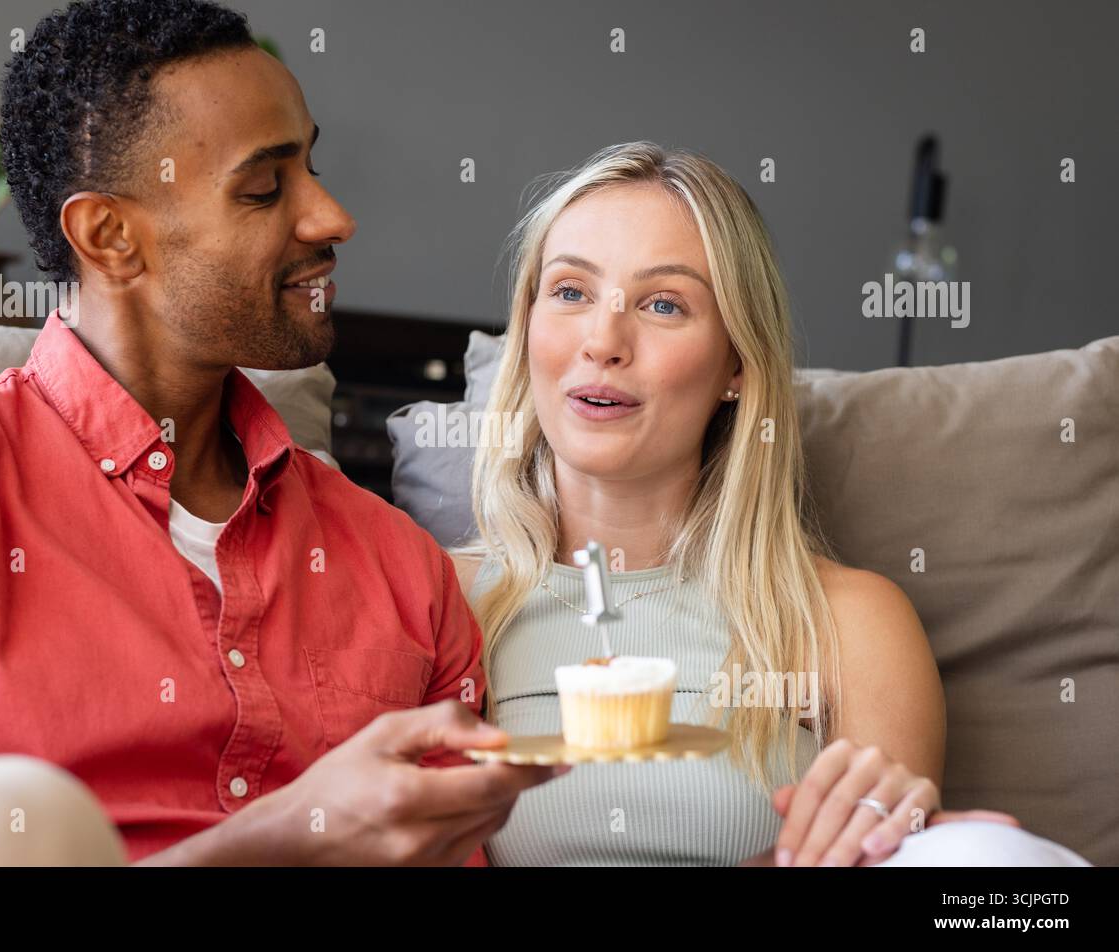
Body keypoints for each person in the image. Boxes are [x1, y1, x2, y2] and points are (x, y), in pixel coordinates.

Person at [0, 0, 562, 867]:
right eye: (263, 188)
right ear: (111, 236)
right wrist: (278, 839)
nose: (331, 217)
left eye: (311, 169)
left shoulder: (400, 569)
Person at [452, 142, 1092, 867]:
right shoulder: (439, 599)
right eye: (570, 291)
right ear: (528, 322)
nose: (603, 340)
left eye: (664, 303)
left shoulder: (847, 618)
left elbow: (880, 858)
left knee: (994, 866)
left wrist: (908, 831)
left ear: (735, 365)